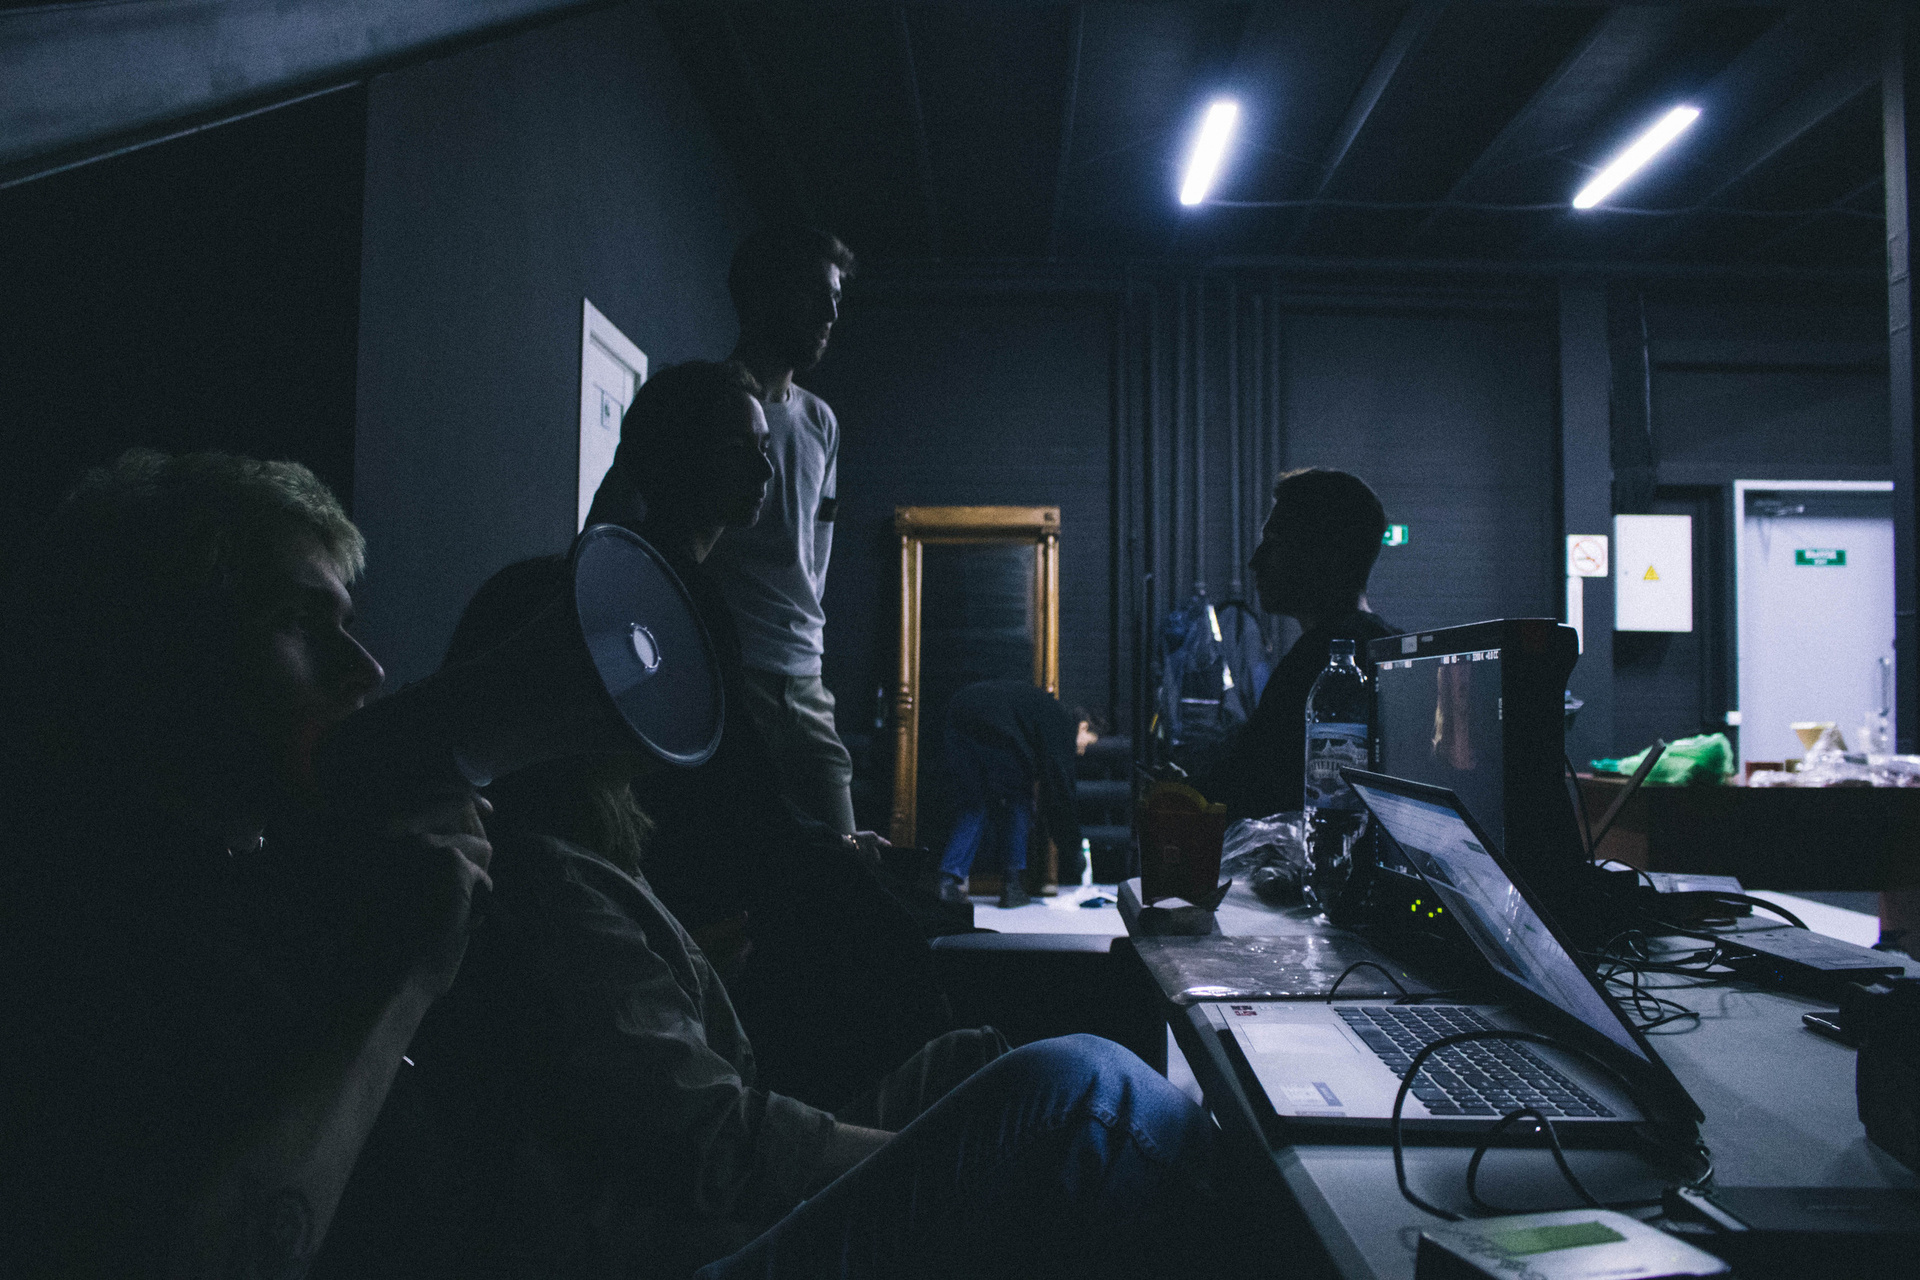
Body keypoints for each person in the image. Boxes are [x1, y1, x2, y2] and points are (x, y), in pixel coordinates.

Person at [312, 555, 1238, 1280]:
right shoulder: (550, 885)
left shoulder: (568, 868)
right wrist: (922, 1159)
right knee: (1079, 1089)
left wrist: (697, 979)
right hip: (693, 1250)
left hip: (706, 1208)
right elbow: (714, 1148)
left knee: (980, 1060)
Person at [0, 450, 492, 1278]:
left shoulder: (274, 879)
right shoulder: (59, 934)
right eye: (298, 621)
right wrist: (400, 982)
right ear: (155, 643)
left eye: (346, 622)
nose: (366, 669)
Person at [586, 359, 950, 1106]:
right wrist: (830, 850)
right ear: (678, 456)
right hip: (698, 872)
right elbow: (721, 799)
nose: (765, 470)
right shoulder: (660, 599)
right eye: (741, 449)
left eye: (765, 447)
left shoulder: (680, 589)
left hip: (718, 853)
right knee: (881, 934)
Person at [703, 224, 861, 833]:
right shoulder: (700, 402)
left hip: (804, 679)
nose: (831, 314)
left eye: (837, 298)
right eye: (817, 295)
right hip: (723, 674)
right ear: (766, 293)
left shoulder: (821, 421)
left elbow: (815, 556)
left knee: (843, 861)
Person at [1209, 467, 1398, 820]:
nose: (1255, 561)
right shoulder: (1389, 649)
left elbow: (1246, 791)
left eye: (1274, 542)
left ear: (1325, 553)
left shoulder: (1319, 663)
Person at [937, 679, 1097, 908]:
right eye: (1087, 744)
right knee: (1019, 802)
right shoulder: (1063, 728)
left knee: (974, 805)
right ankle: (1012, 886)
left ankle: (950, 881)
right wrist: (1073, 850)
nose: (1081, 752)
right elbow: (1060, 793)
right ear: (1083, 727)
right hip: (994, 723)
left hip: (959, 713)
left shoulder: (1045, 713)